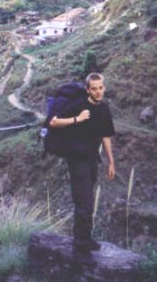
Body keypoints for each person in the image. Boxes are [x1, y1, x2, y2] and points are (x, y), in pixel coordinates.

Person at [49, 72, 115, 252]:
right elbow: (54, 123)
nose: (98, 92)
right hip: (76, 159)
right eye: (94, 89)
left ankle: (85, 239)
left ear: (104, 87)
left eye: (101, 88)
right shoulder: (79, 105)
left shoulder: (104, 109)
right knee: (83, 201)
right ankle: (81, 242)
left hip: (92, 159)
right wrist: (77, 119)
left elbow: (105, 136)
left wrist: (111, 162)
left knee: (88, 200)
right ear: (88, 89)